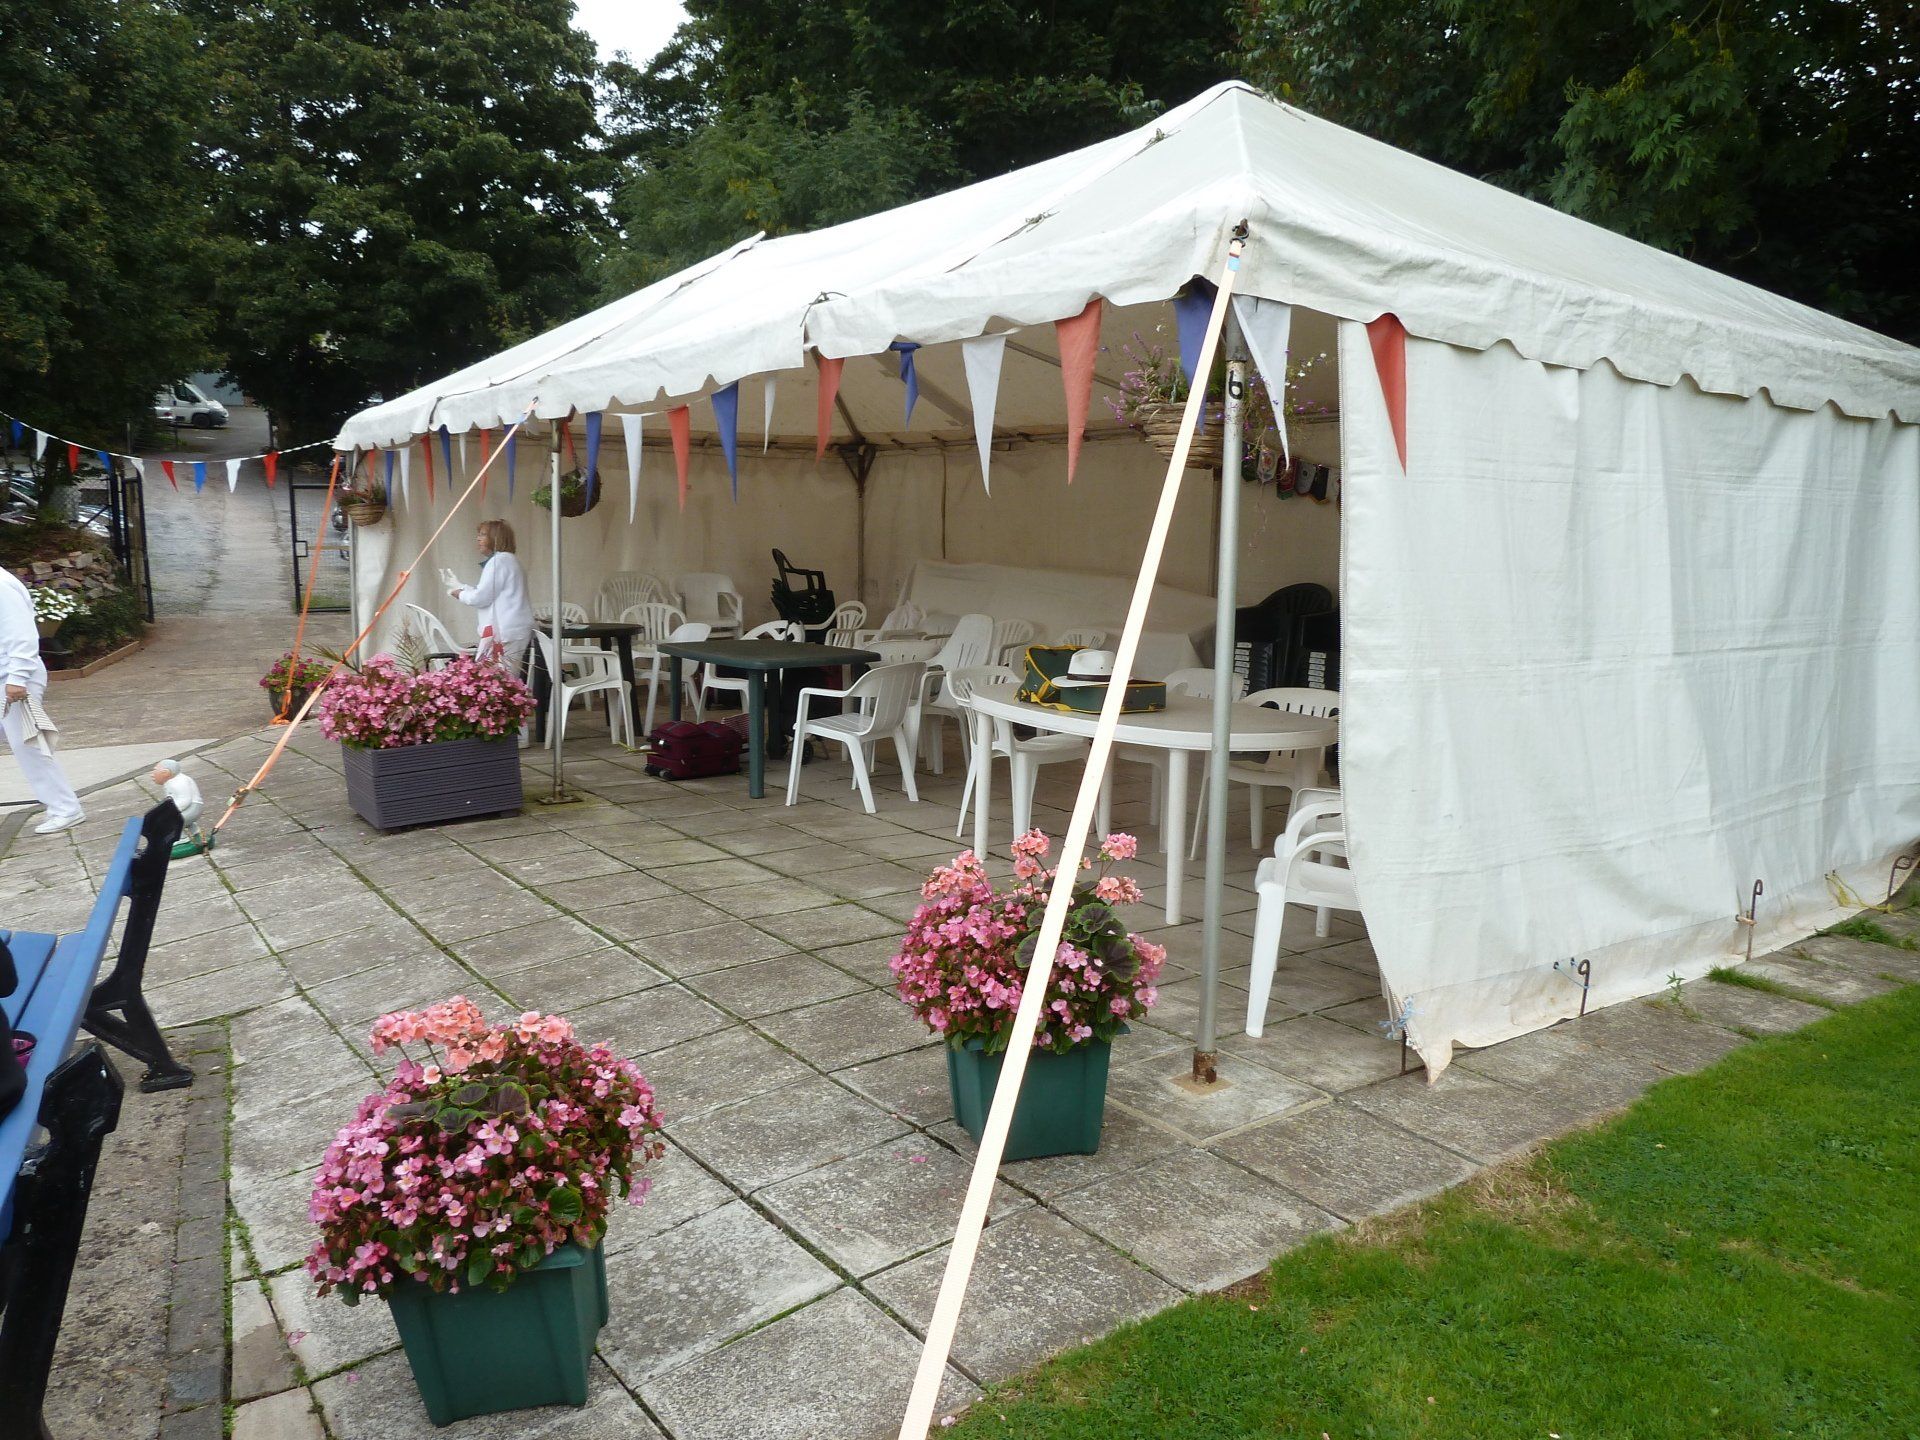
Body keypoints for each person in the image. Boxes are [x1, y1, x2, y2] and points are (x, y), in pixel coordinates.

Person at [0, 568, 84, 834]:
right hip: (8, 676)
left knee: (28, 744)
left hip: (13, 678)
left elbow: (22, 634)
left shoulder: (2, 586)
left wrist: (17, 677)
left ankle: (65, 808)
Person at [449, 519, 534, 678]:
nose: (478, 539)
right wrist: (464, 589)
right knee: (500, 679)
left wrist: (459, 593)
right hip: (512, 629)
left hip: (506, 631)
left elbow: (481, 598)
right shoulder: (509, 560)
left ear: (495, 538)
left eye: (483, 535)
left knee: (500, 680)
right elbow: (490, 594)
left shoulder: (498, 561)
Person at [151, 758, 206, 852]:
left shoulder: (178, 782)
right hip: (192, 807)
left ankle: (181, 838)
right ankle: (195, 831)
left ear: (165, 773)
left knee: (171, 821)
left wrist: (171, 810)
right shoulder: (172, 781)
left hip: (193, 807)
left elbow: (185, 800)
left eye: (155, 771)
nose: (152, 774)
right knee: (183, 819)